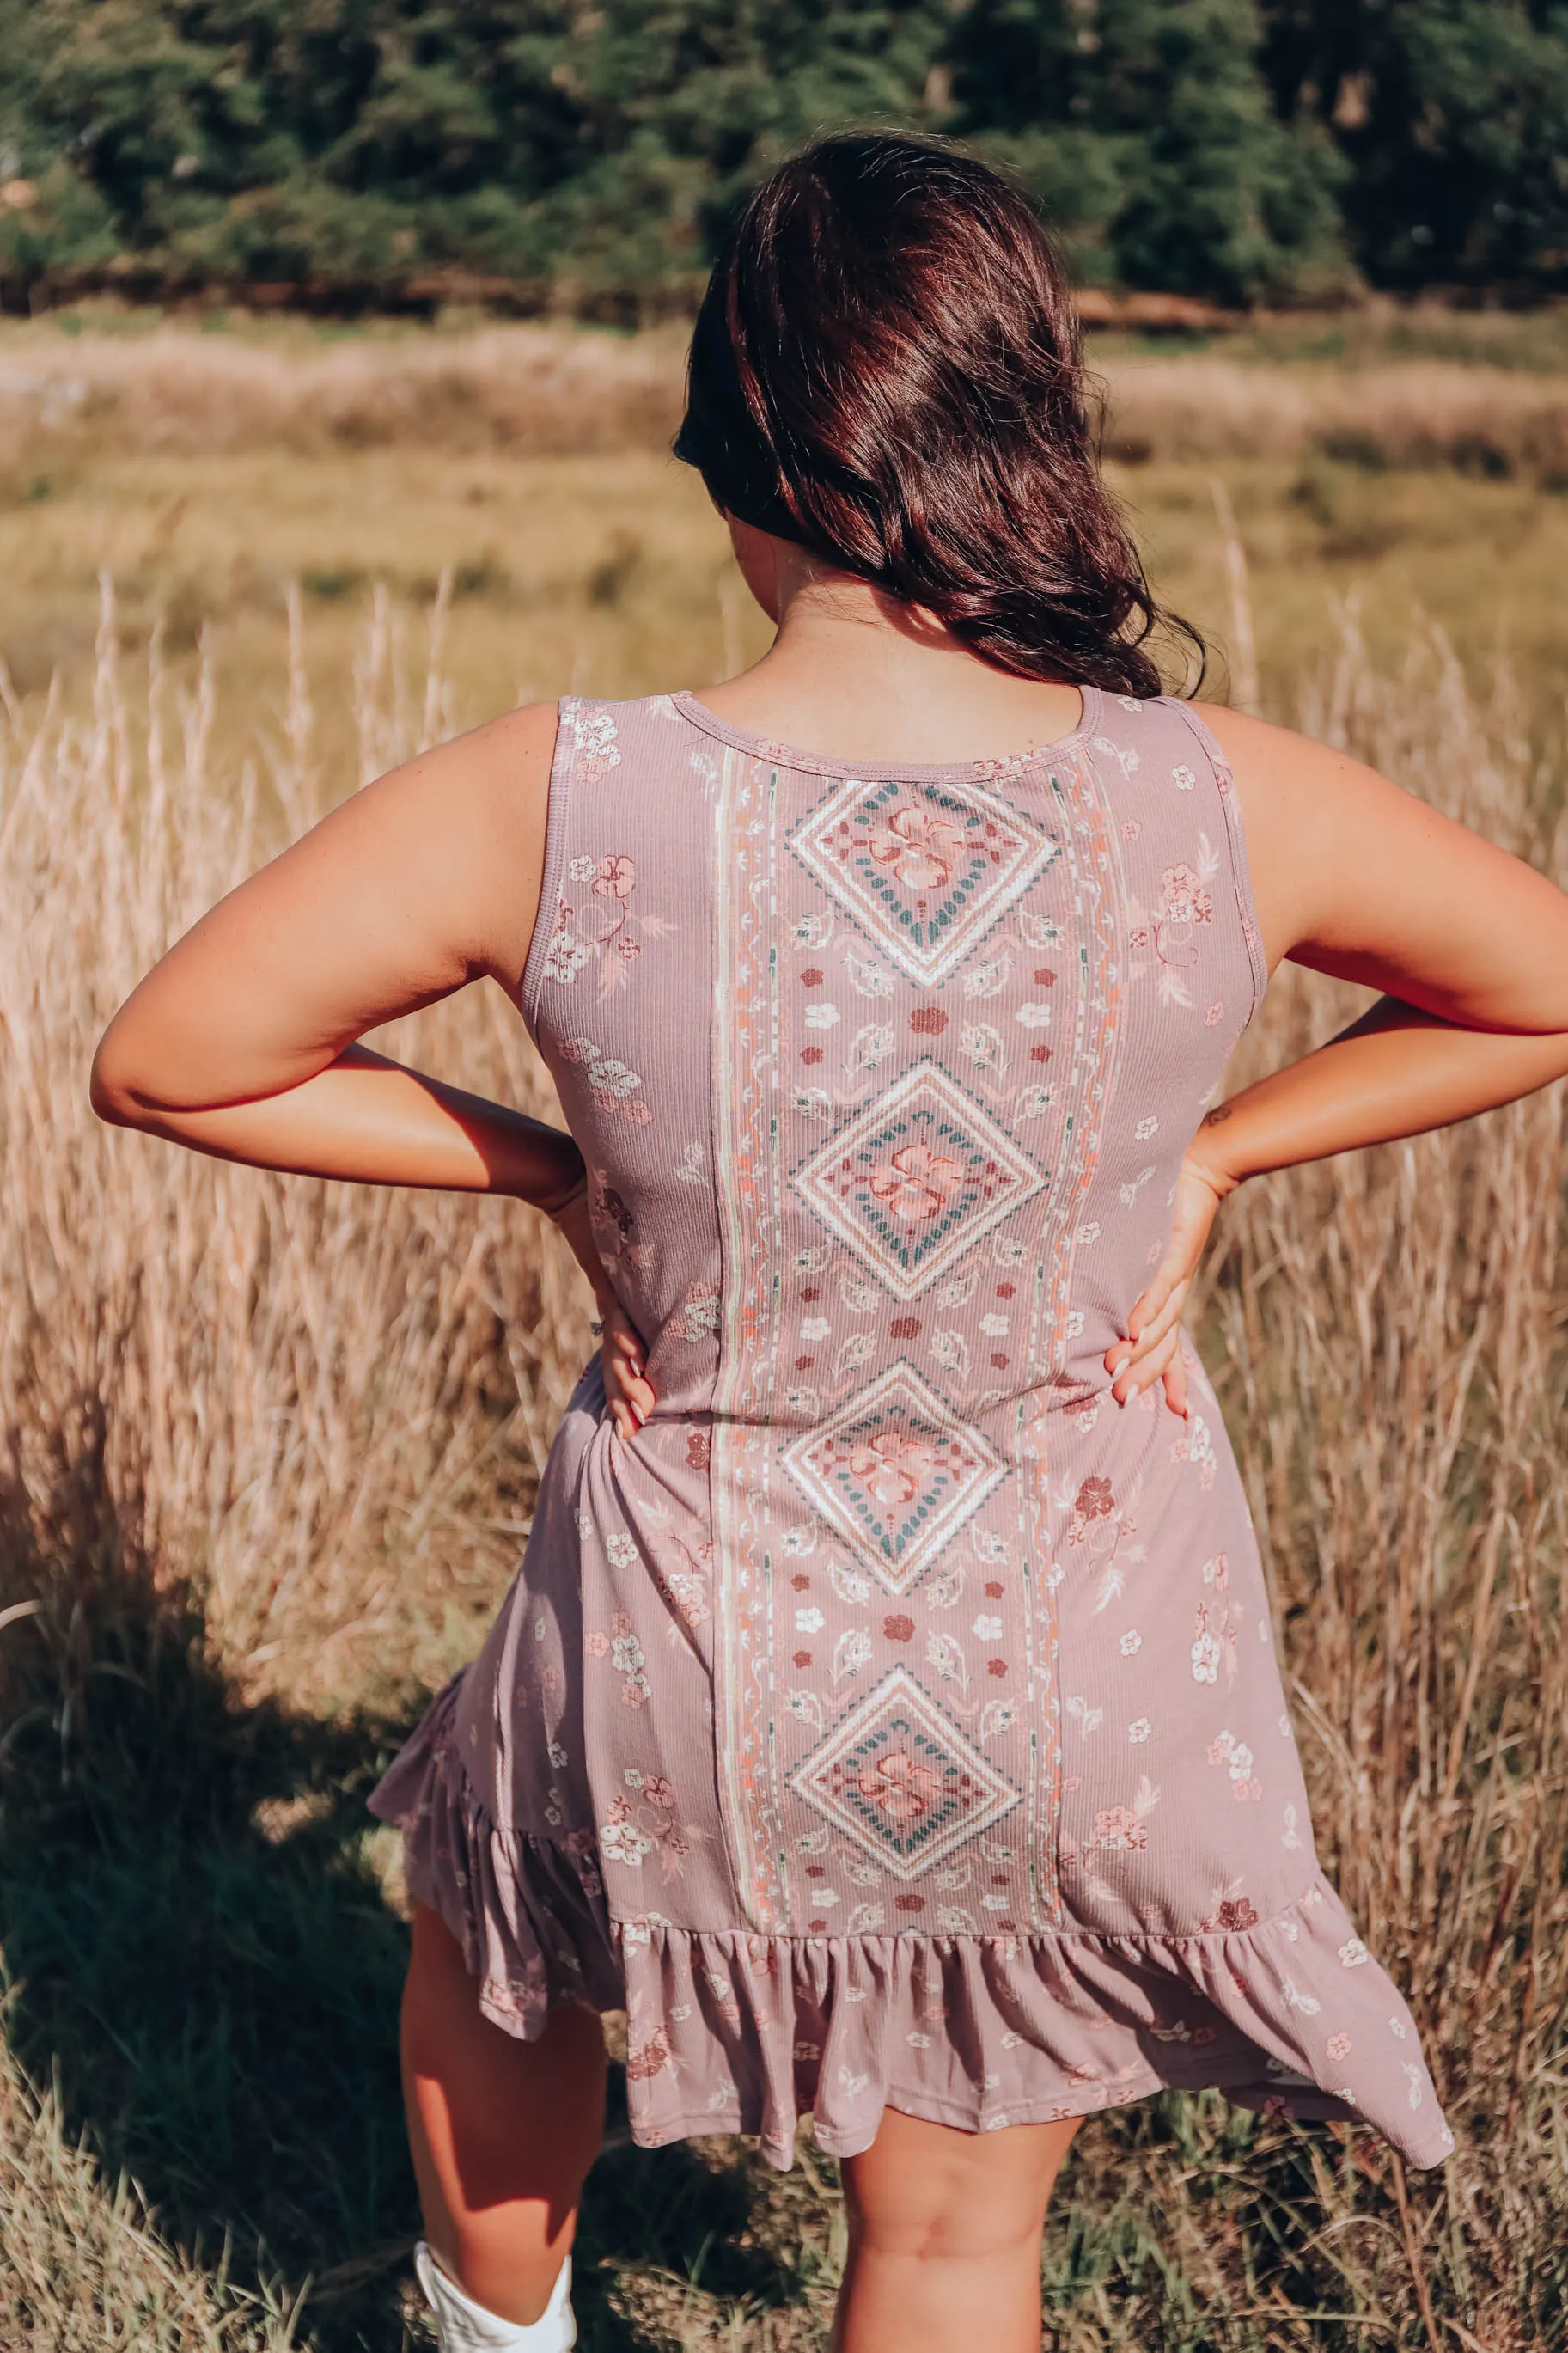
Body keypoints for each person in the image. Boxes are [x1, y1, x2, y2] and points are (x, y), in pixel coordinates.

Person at [89, 133, 1568, 2353]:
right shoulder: (1219, 795)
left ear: (735, 443)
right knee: (962, 2246)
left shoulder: (559, 791)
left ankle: (488, 2338)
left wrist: (550, 1168)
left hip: (696, 1588)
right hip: (1076, 1620)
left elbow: (174, 1060)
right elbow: (1540, 982)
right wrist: (1227, 1153)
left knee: (501, 1926)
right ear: (1023, 436)